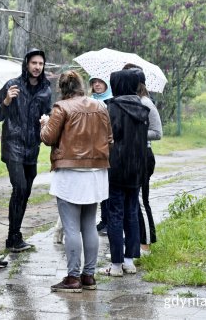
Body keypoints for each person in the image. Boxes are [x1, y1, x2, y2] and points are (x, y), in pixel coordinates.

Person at [40, 70, 113, 293]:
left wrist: (44, 123)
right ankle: (89, 276)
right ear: (82, 85)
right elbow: (109, 138)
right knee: (89, 225)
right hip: (96, 171)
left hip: (70, 172)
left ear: (62, 88)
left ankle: (72, 278)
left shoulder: (61, 108)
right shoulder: (100, 106)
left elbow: (48, 138)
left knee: (71, 228)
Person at [0, 48, 52, 252]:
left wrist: (47, 120)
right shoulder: (12, 85)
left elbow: (49, 115)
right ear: (26, 64)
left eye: (40, 64)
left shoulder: (46, 89)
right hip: (13, 145)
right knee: (19, 187)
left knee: (25, 192)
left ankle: (14, 236)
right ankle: (13, 236)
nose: (37, 67)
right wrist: (7, 101)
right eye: (34, 63)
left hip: (32, 148)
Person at [99, 69, 149, 277]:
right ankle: (129, 261)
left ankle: (116, 265)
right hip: (137, 169)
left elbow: (106, 138)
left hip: (116, 169)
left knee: (115, 214)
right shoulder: (143, 107)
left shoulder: (112, 107)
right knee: (132, 213)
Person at [122, 65, 162, 255]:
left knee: (140, 199)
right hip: (128, 157)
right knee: (129, 202)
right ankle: (133, 244)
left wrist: (136, 134)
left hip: (143, 157)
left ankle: (146, 244)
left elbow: (158, 132)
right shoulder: (128, 102)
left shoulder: (146, 103)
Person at [89, 76, 113, 236]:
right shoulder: (88, 101)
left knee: (108, 185)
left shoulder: (112, 101)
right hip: (92, 148)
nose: (97, 84)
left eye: (100, 82)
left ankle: (108, 220)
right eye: (94, 82)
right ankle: (101, 220)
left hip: (107, 147)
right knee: (97, 185)